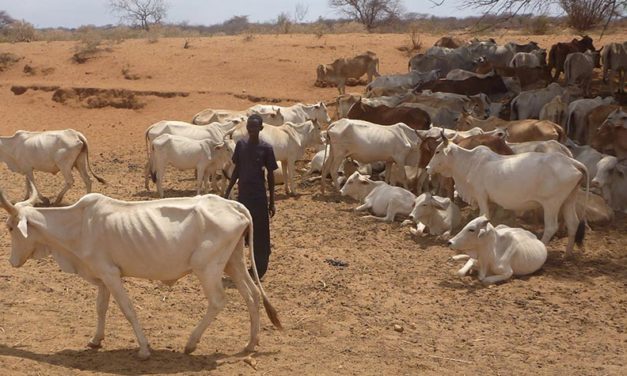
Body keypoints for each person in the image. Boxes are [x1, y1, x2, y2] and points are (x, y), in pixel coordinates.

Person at [224, 114, 278, 279]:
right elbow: (237, 169)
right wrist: (227, 191)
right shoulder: (241, 145)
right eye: (249, 127)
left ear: (261, 128)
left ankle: (259, 269)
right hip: (243, 197)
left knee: (260, 233)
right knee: (239, 232)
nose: (251, 130)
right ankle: (236, 267)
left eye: (254, 127)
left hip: (259, 198)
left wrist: (272, 201)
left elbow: (271, 176)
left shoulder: (266, 148)